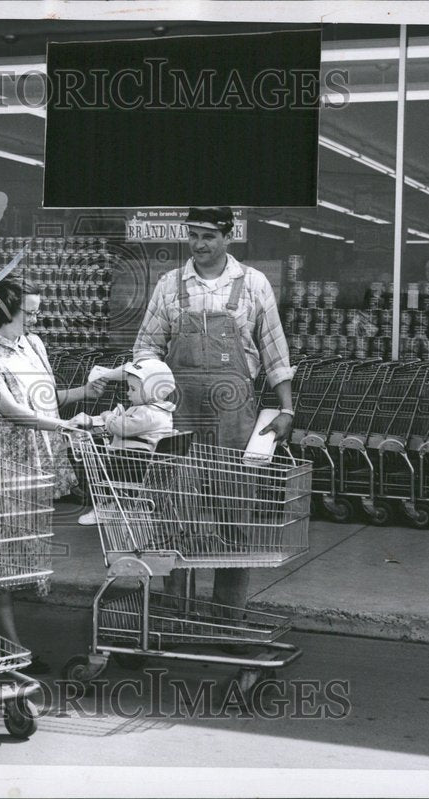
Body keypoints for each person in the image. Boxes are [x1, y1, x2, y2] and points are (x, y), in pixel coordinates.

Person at [133, 206, 294, 628]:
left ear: (228, 236)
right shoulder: (170, 284)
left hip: (235, 419)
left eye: (208, 236)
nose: (199, 244)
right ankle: (173, 616)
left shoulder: (253, 284)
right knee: (174, 515)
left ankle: (228, 618)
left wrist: (287, 408)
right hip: (179, 418)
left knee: (233, 515)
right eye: (193, 235)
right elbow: (145, 348)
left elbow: (275, 351)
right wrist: (154, 389)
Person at [0, 277, 106, 673]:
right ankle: (8, 646)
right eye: (27, 312)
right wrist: (61, 427)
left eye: (36, 311)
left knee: (13, 556)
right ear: (6, 313)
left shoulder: (33, 345)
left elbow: (43, 398)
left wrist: (82, 394)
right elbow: (9, 408)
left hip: (31, 464)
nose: (34, 318)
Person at [71, 358, 177, 526]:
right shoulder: (156, 410)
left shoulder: (149, 414)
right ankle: (128, 505)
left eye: (133, 389)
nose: (128, 393)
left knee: (109, 470)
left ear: (152, 391)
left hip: (136, 464)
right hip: (147, 465)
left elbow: (122, 427)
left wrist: (108, 417)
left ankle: (109, 505)